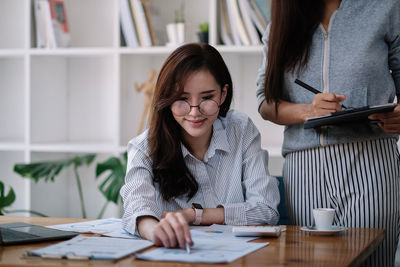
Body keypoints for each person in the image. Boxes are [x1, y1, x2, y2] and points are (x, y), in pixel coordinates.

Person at [256, 0, 400, 266]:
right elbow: (266, 102)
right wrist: (308, 110)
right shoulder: (281, 22)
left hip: (371, 161)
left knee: (373, 261)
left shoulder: (385, 7)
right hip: (304, 167)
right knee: (311, 261)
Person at [121, 43, 280, 249]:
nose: (194, 112)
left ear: (223, 94)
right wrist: (155, 230)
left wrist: (195, 215)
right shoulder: (145, 146)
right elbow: (136, 208)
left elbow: (266, 210)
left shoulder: (241, 130)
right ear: (167, 99)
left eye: (207, 98)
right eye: (182, 99)